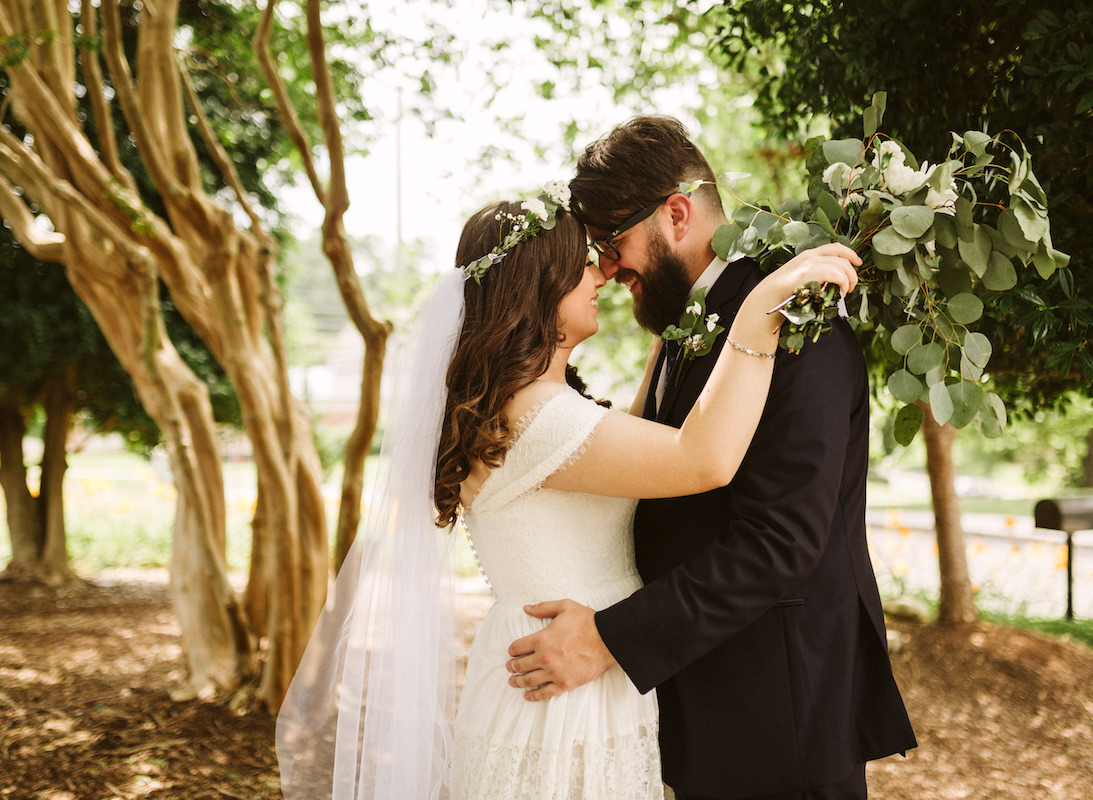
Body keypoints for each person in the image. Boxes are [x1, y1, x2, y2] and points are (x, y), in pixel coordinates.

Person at [275, 185, 862, 800]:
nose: (602, 271)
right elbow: (700, 458)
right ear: (537, 285)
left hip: (568, 675)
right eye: (582, 259)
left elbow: (634, 441)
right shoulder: (535, 418)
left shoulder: (532, 409)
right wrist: (758, 311)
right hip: (561, 697)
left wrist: (675, 318)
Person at [503, 116, 918, 800]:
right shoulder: (692, 324)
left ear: (676, 213)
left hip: (779, 714)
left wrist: (611, 639)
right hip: (707, 703)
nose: (605, 268)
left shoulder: (793, 319)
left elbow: (780, 542)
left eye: (612, 241)